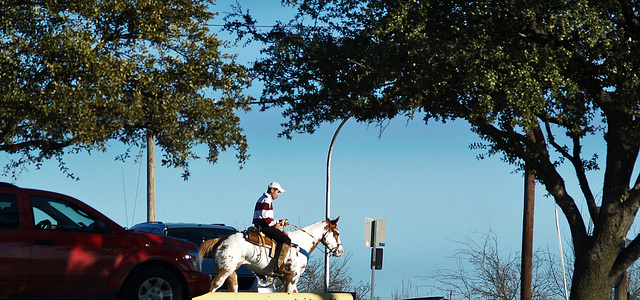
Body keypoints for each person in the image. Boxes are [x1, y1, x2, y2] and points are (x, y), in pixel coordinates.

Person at [252, 182, 293, 275]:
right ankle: (279, 266)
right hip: (264, 227)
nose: (278, 195)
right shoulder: (267, 200)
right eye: (278, 192)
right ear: (272, 190)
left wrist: (279, 222)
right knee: (286, 240)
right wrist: (276, 225)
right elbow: (267, 220)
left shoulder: (261, 198)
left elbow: (265, 217)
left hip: (259, 225)